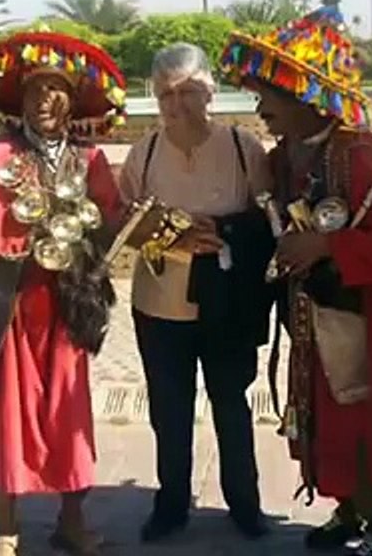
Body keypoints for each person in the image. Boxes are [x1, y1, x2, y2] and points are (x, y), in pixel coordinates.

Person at [220, 8, 372, 556]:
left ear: (306, 99)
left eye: (269, 98)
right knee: (321, 420)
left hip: (357, 321)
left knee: (364, 423)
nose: (260, 109)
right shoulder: (286, 157)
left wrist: (328, 245)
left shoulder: (360, 155)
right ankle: (349, 510)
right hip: (311, 316)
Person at [0, 32, 127, 556]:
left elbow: (111, 219)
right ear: (19, 98)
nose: (45, 99)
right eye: (36, 89)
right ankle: (6, 526)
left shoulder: (90, 162)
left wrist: (136, 223)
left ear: (72, 100)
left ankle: (71, 519)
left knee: (68, 411)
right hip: (9, 304)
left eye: (57, 89)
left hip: (68, 303)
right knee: (7, 413)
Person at [118, 42, 275, 542]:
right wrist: (173, 237)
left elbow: (270, 220)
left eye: (188, 91)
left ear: (209, 90)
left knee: (231, 402)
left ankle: (245, 504)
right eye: (166, 94)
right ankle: (170, 505)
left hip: (226, 299)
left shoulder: (241, 148)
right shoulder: (141, 155)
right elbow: (124, 225)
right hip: (159, 303)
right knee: (169, 408)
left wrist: (225, 231)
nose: (177, 104)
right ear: (153, 98)